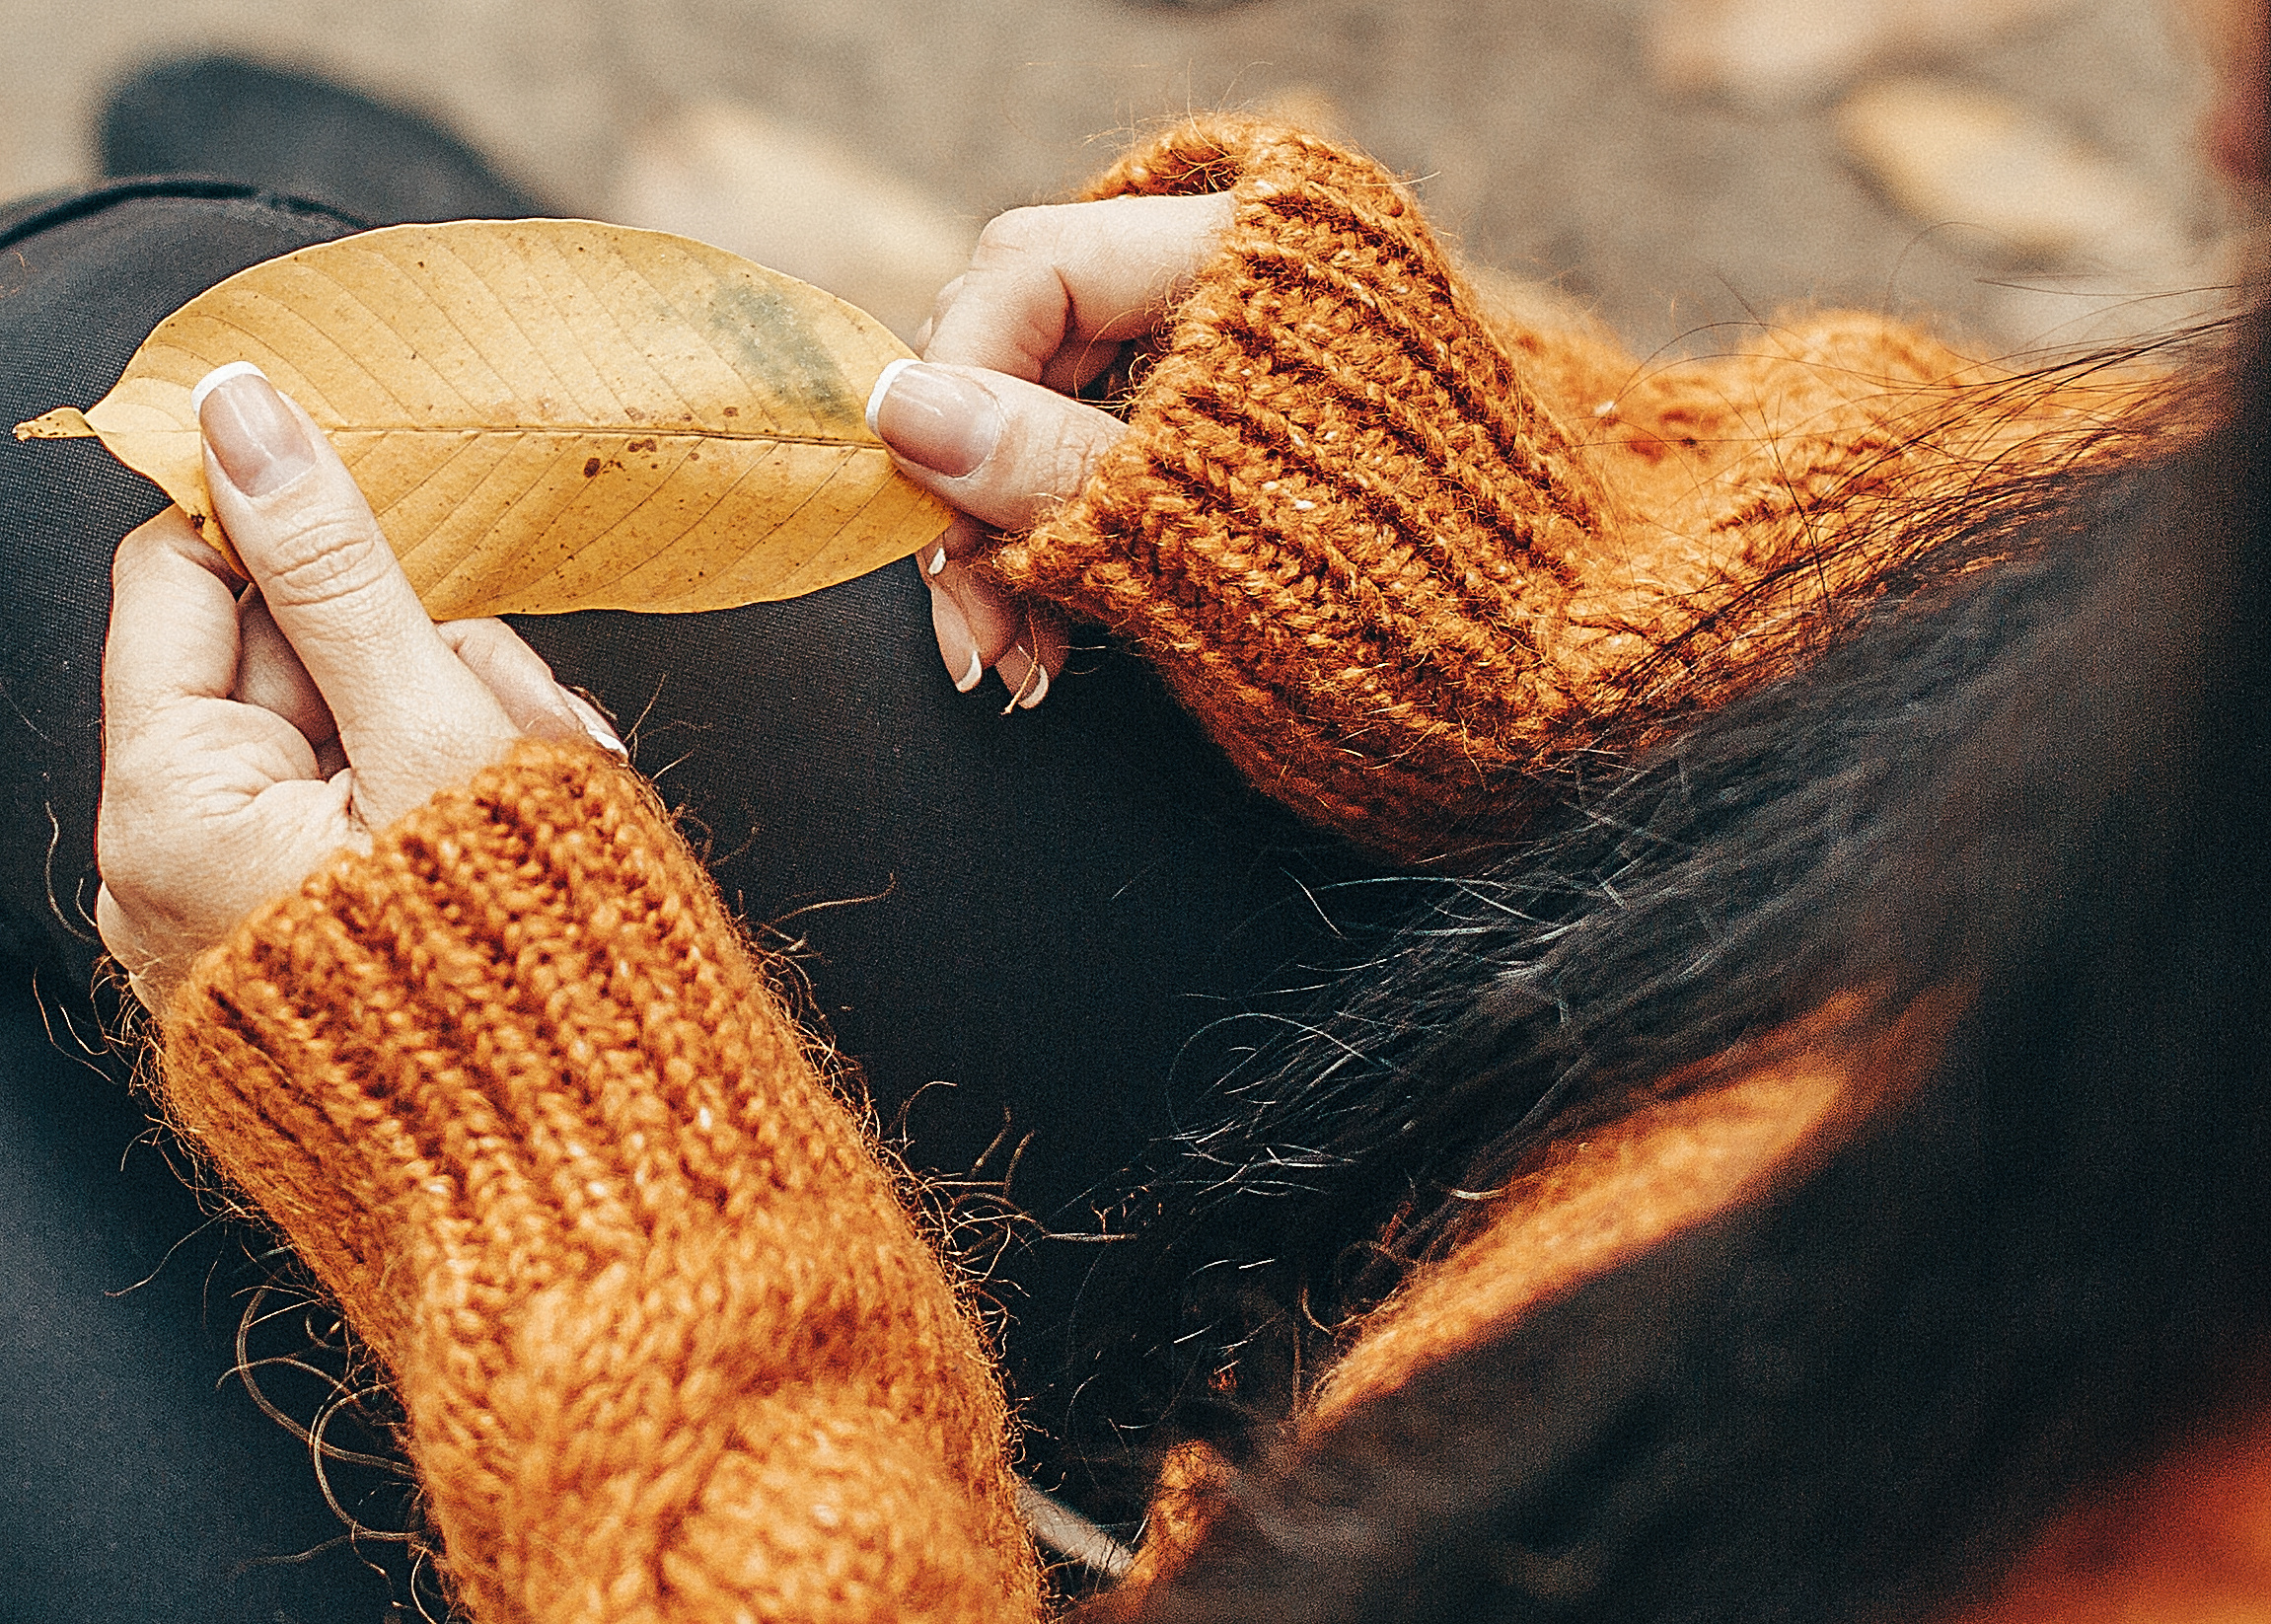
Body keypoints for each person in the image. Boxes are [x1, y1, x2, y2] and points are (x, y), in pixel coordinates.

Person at [18, 33, 2271, 1624]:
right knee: (113, 378)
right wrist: (1592, 554)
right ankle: (423, 238)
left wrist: (573, 1197)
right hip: (1679, 1067)